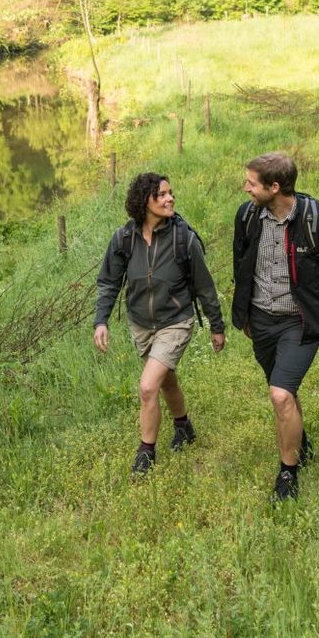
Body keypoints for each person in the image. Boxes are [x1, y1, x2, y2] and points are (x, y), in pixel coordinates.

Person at [232, 151, 319, 502]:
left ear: (275, 187)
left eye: (251, 183)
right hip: (261, 320)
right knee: (284, 388)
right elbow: (241, 264)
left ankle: (288, 474)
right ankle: (301, 444)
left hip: (300, 322)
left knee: (280, 394)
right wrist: (245, 313)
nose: (246, 188)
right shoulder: (247, 217)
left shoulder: (318, 223)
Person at [93, 172, 225, 477]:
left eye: (170, 193)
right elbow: (109, 282)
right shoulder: (124, 239)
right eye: (162, 195)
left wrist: (216, 326)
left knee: (148, 386)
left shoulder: (183, 238)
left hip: (175, 321)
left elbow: (205, 287)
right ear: (144, 201)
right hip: (140, 323)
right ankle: (184, 426)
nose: (170, 199)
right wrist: (101, 321)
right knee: (166, 381)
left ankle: (146, 453)